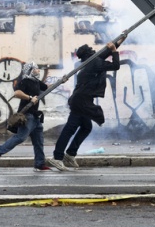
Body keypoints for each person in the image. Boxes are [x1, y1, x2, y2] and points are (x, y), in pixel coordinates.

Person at [47, 38, 125, 171]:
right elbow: (115, 65)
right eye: (91, 50)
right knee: (70, 129)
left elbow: (104, 53)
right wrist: (114, 51)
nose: (94, 51)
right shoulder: (94, 63)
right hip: (81, 101)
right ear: (89, 53)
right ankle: (57, 157)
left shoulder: (90, 61)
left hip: (83, 100)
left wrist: (120, 40)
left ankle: (70, 154)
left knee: (86, 127)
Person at [0, 62, 67, 172]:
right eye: (36, 68)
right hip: (27, 115)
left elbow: (48, 88)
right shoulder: (25, 81)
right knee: (21, 137)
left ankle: (39, 163)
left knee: (39, 141)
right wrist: (30, 98)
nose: (38, 70)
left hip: (36, 116)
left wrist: (60, 82)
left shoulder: (36, 82)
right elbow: (17, 93)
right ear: (30, 70)